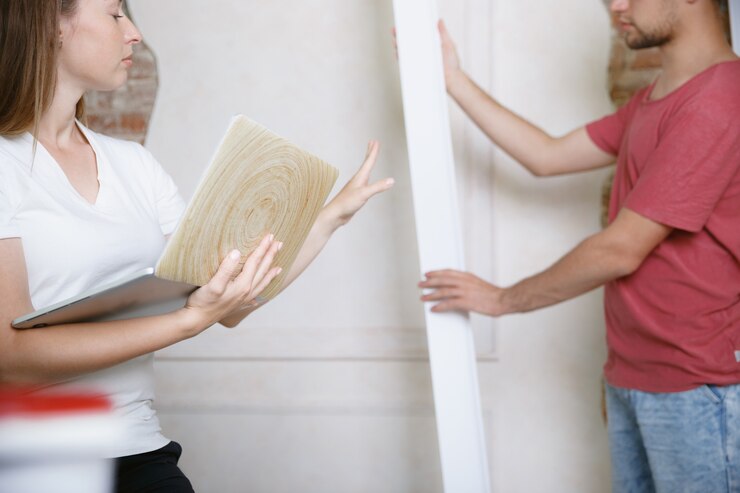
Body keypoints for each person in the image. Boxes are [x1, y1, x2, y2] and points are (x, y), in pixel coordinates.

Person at [0, 1, 394, 492]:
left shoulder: (134, 165)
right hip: (28, 458)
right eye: (115, 14)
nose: (134, 34)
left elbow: (226, 303)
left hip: (137, 447)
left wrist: (329, 218)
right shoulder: (5, 165)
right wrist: (187, 321)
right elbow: (10, 354)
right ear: (52, 25)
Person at [417, 0, 739, 491]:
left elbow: (621, 248)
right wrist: (452, 78)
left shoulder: (721, 99)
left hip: (697, 388)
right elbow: (546, 156)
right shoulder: (657, 97)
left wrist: (503, 299)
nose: (616, 5)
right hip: (634, 376)